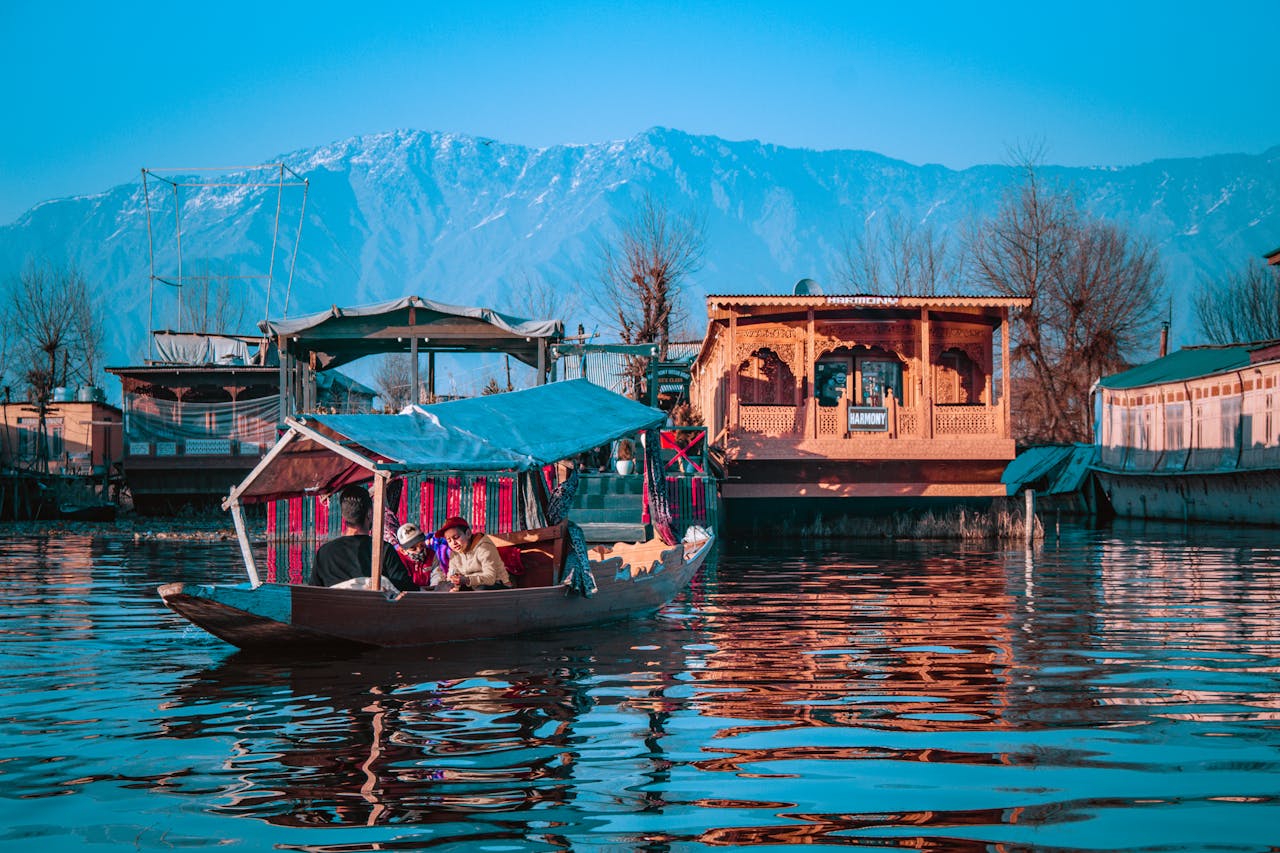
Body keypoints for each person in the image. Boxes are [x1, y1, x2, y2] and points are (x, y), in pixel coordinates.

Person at [311, 484, 420, 592]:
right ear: (369, 513)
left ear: (344, 516)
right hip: (373, 608)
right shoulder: (384, 550)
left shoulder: (324, 553)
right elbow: (407, 590)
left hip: (334, 608)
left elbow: (313, 592)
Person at [437, 515, 511, 591]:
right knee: (440, 586)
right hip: (470, 585)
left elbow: (490, 578)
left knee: (480, 589)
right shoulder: (455, 553)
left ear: (468, 533)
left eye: (456, 537)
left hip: (496, 585)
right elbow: (451, 575)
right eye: (449, 540)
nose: (453, 543)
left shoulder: (484, 547)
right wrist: (454, 584)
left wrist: (467, 580)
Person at [396, 522, 446, 589]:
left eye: (422, 545)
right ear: (402, 550)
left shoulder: (431, 555)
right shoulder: (396, 559)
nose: (419, 550)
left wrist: (434, 590)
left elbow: (437, 575)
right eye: (413, 548)